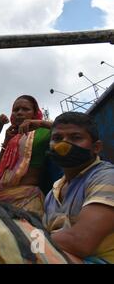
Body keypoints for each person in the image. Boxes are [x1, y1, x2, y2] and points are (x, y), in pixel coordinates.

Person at [43, 112, 114, 264]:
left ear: (96, 148)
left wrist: (29, 238)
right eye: (57, 138)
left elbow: (81, 241)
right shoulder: (53, 192)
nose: (63, 145)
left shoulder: (107, 177)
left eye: (75, 138)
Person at [0, 95, 53, 217]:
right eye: (16, 110)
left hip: (27, 199)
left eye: (25, 109)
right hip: (2, 199)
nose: (19, 113)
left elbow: (70, 127)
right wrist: (6, 140)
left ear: (35, 113)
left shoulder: (43, 131)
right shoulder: (13, 138)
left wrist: (40, 123)